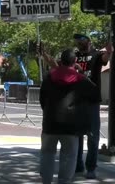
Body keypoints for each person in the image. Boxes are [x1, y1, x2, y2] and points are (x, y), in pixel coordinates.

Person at [39, 48, 100, 184]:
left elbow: (42, 99)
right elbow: (96, 95)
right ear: (75, 62)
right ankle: (64, 181)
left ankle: (46, 181)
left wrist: (48, 112)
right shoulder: (81, 79)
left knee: (47, 154)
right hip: (71, 126)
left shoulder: (49, 77)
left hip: (50, 123)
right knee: (69, 156)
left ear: (61, 61)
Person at [72, 33, 111, 179]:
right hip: (76, 100)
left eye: (81, 40)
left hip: (92, 100)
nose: (78, 43)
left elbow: (105, 60)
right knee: (77, 136)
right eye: (76, 41)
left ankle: (91, 167)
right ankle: (78, 165)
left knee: (93, 136)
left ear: (88, 41)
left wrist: (108, 52)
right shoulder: (73, 55)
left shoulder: (96, 55)